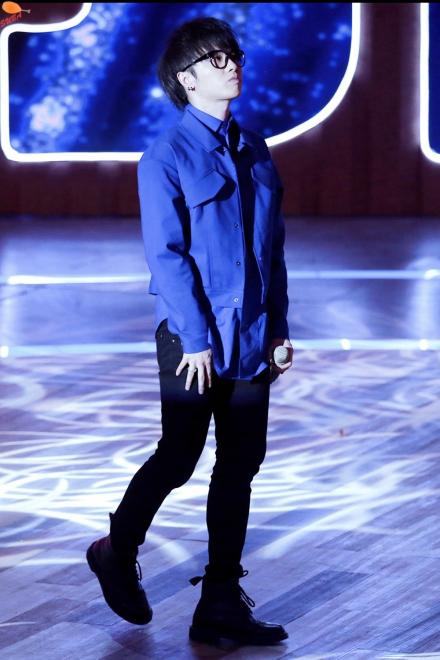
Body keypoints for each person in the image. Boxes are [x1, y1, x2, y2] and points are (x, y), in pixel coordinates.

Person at [86, 16, 293, 647]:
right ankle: (117, 550)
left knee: (241, 464)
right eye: (216, 58)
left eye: (234, 54)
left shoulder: (254, 147)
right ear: (186, 78)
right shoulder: (165, 156)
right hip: (191, 339)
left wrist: (278, 327)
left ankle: (221, 602)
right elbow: (167, 256)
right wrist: (196, 338)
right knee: (179, 456)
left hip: (251, 337)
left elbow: (272, 250)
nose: (232, 65)